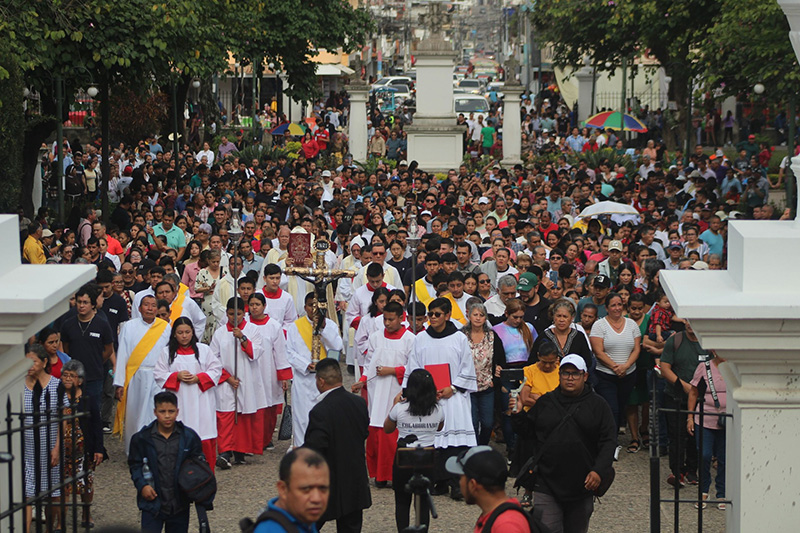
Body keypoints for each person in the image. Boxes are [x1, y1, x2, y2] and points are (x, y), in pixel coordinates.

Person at [510, 354, 616, 533]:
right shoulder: (546, 402)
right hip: (546, 481)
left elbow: (608, 441)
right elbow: (528, 432)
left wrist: (598, 470)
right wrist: (518, 414)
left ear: (585, 376)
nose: (570, 378)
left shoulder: (599, 405)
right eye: (566, 373)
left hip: (582, 484)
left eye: (575, 374)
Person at [403, 297, 477, 500]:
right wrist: (417, 391)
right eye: (430, 314)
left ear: (447, 315)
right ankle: (439, 482)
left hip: (453, 397)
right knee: (433, 443)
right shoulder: (420, 339)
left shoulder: (459, 338)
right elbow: (413, 367)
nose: (432, 318)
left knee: (455, 444)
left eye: (437, 314)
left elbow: (467, 368)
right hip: (429, 399)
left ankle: (456, 484)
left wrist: (452, 387)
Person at [304, 358, 371, 533]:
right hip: (355, 479)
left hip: (328, 482)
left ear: (321, 381)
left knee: (306, 525)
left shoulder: (320, 411)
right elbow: (364, 433)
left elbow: (315, 449)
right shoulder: (359, 404)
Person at [351, 301, 414, 487]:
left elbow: (413, 367)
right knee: (375, 434)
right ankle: (379, 475)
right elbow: (369, 362)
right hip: (377, 391)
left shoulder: (410, 339)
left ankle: (395, 475)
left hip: (396, 391)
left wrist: (393, 370)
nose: (387, 323)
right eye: (385, 319)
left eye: (391, 319)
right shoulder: (376, 337)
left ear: (401, 318)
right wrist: (362, 380)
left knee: (392, 435)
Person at [128, 391, 205, 533]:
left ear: (177, 412)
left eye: (171, 411)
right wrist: (142, 485)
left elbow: (199, 466)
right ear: (155, 412)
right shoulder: (142, 438)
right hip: (152, 504)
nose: (167, 416)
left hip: (179, 504)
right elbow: (135, 465)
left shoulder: (189, 437)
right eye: (162, 411)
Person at [154, 316, 222, 471]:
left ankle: (206, 473)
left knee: (204, 435)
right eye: (180, 332)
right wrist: (176, 376)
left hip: (202, 401)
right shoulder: (167, 353)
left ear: (192, 332)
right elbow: (159, 373)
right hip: (179, 401)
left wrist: (199, 378)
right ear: (174, 334)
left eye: (187, 332)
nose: (184, 336)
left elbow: (216, 370)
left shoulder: (204, 350)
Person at [384, 369, 444, 532]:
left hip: (404, 458)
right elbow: (439, 427)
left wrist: (395, 405)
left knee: (402, 502)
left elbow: (387, 428)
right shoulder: (438, 409)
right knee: (424, 504)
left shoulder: (401, 408)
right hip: (427, 458)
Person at [210, 297, 266, 468]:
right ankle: (225, 451)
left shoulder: (253, 329)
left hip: (247, 378)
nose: (235, 318)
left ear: (245, 313)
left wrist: (242, 338)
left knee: (243, 416)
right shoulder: (219, 333)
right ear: (226, 313)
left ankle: (240, 450)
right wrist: (227, 377)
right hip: (227, 381)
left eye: (239, 314)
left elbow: (255, 352)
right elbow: (213, 359)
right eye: (231, 314)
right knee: (226, 415)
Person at [113, 295, 172, 453]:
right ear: (139, 308)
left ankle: (156, 448)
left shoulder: (165, 327)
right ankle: (135, 450)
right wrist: (119, 382)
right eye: (146, 305)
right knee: (135, 415)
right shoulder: (129, 326)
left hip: (157, 377)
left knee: (156, 412)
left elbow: (169, 354)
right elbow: (123, 354)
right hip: (136, 376)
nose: (150, 308)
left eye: (153, 305)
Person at [286, 292, 344, 448]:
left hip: (326, 379)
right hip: (304, 379)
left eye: (317, 305)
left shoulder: (329, 325)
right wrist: (306, 365)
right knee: (302, 417)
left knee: (325, 415)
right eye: (311, 305)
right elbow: (289, 352)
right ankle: (302, 448)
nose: (314, 309)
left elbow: (337, 348)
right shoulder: (295, 326)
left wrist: (323, 328)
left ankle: (324, 447)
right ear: (305, 307)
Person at [589, 292, 641, 459]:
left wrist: (625, 366)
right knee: (611, 408)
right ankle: (610, 444)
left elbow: (637, 349)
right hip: (606, 375)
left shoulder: (632, 324)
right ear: (606, 308)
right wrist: (614, 367)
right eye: (613, 305)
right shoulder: (599, 325)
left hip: (628, 374)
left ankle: (611, 436)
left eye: (619, 304)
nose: (617, 308)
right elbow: (598, 351)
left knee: (622, 406)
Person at [23, 344, 66, 532]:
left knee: (52, 492)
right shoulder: (18, 386)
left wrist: (57, 447)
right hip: (24, 447)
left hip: (48, 445)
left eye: (33, 361)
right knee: (25, 493)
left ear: (44, 362)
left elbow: (63, 419)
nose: (30, 366)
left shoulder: (56, 386)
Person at [445, 446, 535, 533]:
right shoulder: (494, 515)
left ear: (473, 484)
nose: (460, 483)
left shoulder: (506, 525)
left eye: (461, 478)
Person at [59, 359, 105, 529]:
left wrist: (99, 449)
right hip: (62, 451)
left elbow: (96, 425)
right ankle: (60, 520)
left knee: (86, 484)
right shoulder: (57, 398)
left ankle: (86, 513)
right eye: (65, 375)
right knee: (61, 486)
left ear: (80, 380)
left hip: (84, 450)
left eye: (72, 376)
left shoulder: (88, 399)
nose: (68, 378)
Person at [61, 285, 114, 420]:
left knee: (93, 414)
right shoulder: (68, 324)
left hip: (94, 376)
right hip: (73, 377)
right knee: (72, 415)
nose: (81, 306)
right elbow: (66, 347)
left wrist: (96, 360)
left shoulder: (102, 324)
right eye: (79, 302)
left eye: (85, 302)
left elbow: (108, 349)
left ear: (92, 304)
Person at [660, 320, 704, 487]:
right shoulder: (675, 340)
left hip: (701, 398)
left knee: (695, 435)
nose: (690, 323)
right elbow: (665, 368)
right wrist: (684, 386)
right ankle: (677, 471)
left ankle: (692, 470)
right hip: (675, 396)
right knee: (676, 434)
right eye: (687, 320)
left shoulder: (707, 342)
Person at [247, 293, 293, 451]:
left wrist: (284, 377)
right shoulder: (244, 324)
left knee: (269, 405)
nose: (254, 307)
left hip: (269, 371)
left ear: (264, 306)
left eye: (257, 304)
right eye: (251, 304)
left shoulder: (274, 325)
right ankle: (252, 440)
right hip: (249, 370)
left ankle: (266, 439)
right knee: (250, 405)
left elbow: (280, 352)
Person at [492, 298, 536, 460]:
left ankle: (524, 447)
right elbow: (494, 352)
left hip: (525, 371)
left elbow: (534, 349)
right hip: (507, 372)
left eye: (521, 317)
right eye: (515, 317)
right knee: (509, 410)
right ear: (507, 314)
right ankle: (512, 448)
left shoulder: (529, 328)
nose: (518, 320)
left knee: (525, 408)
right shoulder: (497, 330)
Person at [252, 448, 330, 533]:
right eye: (306, 489)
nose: (316, 498)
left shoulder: (303, 518)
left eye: (323, 488)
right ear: (283, 489)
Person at [687, 350, 727, 510]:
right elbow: (693, 392)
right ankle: (703, 491)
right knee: (704, 455)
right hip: (705, 419)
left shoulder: (734, 367)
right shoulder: (704, 367)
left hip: (728, 420)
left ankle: (721, 492)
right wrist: (690, 417)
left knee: (724, 458)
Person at [463, 301, 504, 446]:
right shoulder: (462, 336)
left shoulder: (492, 336)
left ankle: (483, 446)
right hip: (468, 387)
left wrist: (496, 376)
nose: (478, 318)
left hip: (487, 385)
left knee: (487, 423)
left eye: (481, 315)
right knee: (472, 424)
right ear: (469, 315)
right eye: (475, 315)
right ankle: (473, 450)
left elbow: (500, 359)